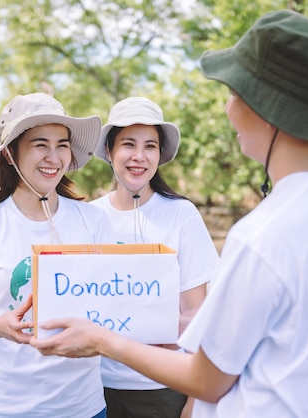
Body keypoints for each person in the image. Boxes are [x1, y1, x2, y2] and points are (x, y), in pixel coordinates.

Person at [30, 9, 308, 417]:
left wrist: (102, 340)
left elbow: (208, 381)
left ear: (265, 106)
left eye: (234, 92)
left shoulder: (263, 236)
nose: (230, 109)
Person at [0, 92, 112, 418]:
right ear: (10, 154)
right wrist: (1, 327)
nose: (54, 156)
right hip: (2, 406)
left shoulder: (94, 220)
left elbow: (109, 303)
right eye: (40, 144)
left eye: (62, 144)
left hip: (82, 406)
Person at [91, 96, 219, 417]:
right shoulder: (88, 217)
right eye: (128, 144)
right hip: (93, 388)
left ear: (160, 155)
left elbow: (195, 316)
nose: (139, 156)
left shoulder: (181, 214)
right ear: (109, 151)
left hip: (162, 387)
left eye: (150, 146)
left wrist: (194, 399)